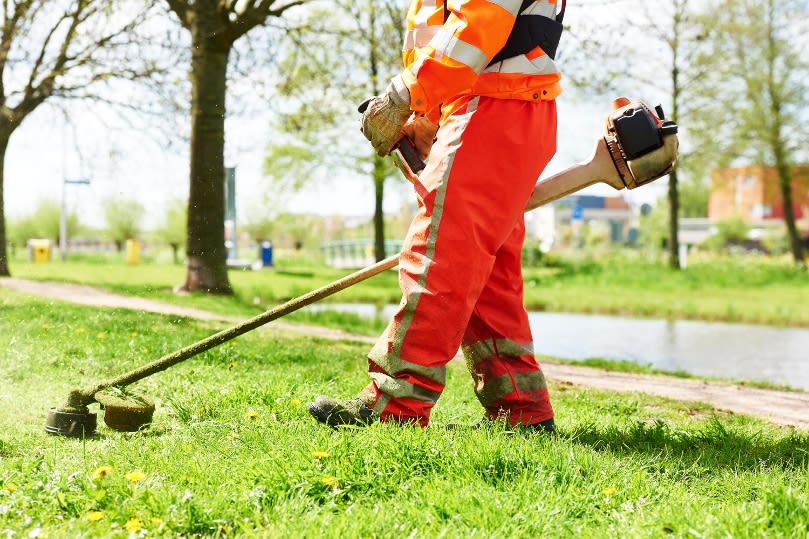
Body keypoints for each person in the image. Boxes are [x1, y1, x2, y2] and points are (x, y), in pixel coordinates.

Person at [308, 0, 565, 432]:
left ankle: (395, 406)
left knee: (439, 258)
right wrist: (426, 118)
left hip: (494, 107)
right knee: (486, 275)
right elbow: (447, 35)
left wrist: (404, 96)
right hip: (502, 108)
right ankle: (520, 409)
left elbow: (479, 23)